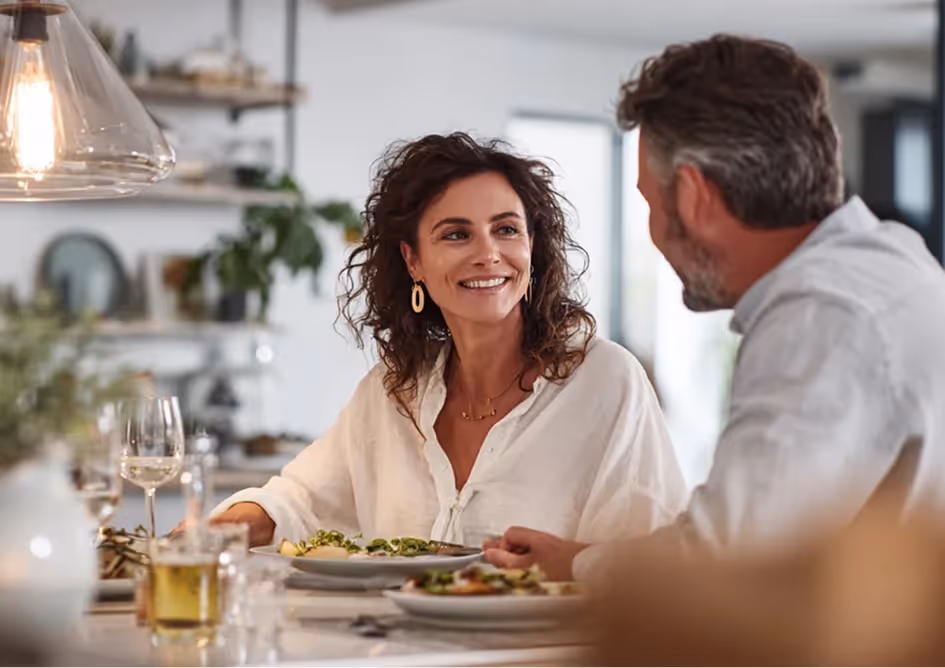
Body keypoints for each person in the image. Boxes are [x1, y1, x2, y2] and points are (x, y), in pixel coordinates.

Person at [484, 34, 945, 580]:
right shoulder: (893, 266)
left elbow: (729, 563)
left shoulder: (822, 317)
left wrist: (584, 570)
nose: (654, 231)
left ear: (694, 196)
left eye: (650, 202)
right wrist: (579, 561)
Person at [208, 132, 687, 549]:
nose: (488, 254)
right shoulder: (393, 391)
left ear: (532, 246)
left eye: (506, 229)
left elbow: (649, 565)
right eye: (456, 235)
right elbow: (297, 502)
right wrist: (210, 533)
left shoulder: (605, 382)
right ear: (413, 261)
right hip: (395, 652)